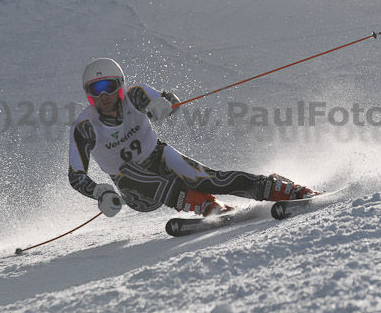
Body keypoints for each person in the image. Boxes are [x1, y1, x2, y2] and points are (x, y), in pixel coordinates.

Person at [68, 58, 318, 218]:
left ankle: (284, 189)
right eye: (96, 89)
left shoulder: (135, 95)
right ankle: (202, 204)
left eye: (109, 86)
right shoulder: (85, 126)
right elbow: (76, 175)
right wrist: (99, 192)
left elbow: (166, 99)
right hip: (138, 191)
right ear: (88, 94)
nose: (104, 95)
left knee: (210, 178)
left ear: (120, 85)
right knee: (126, 172)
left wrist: (166, 104)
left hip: (159, 157)